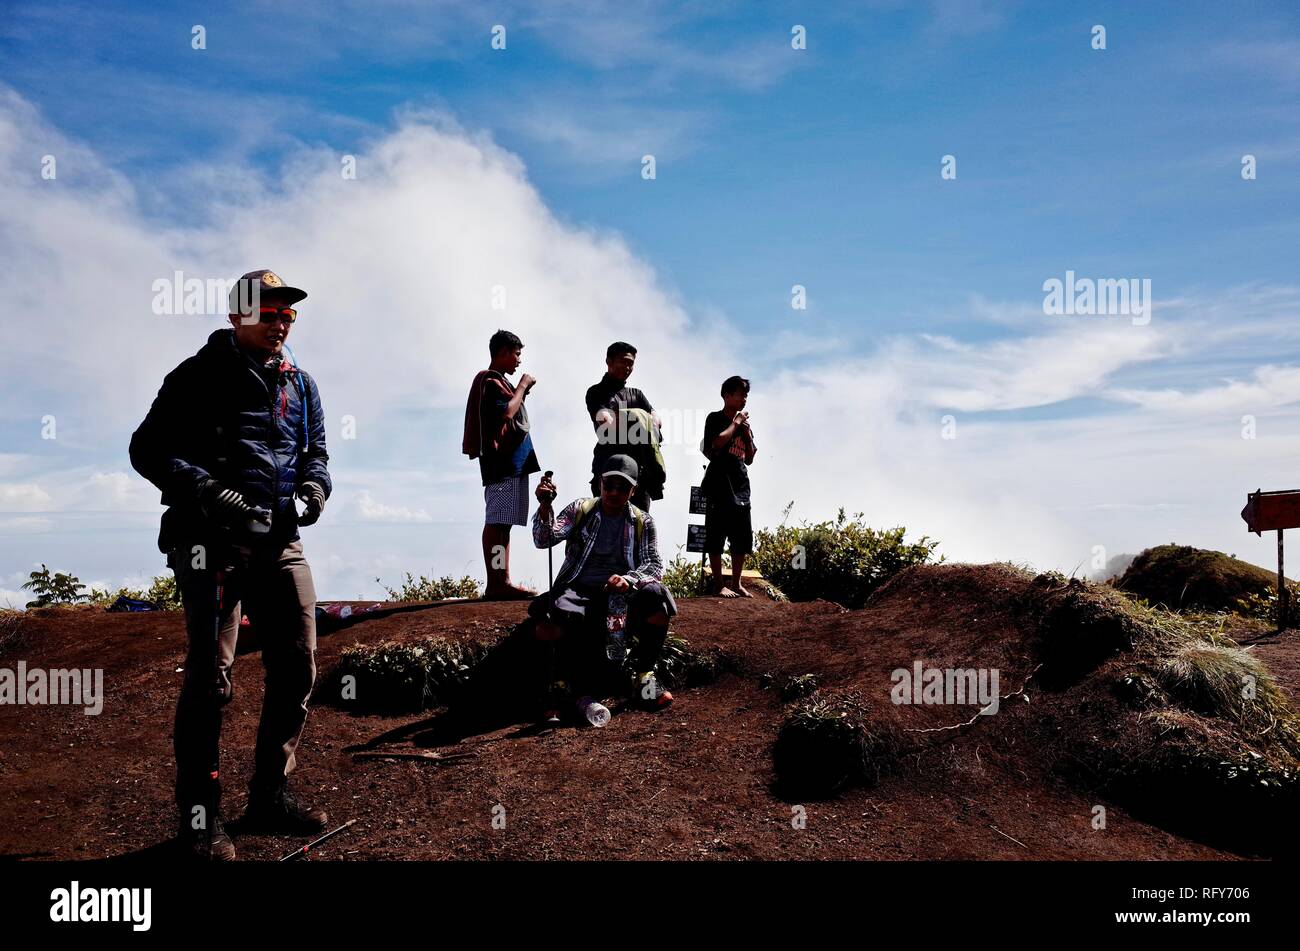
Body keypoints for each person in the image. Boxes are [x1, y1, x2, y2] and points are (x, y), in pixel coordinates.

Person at [129, 268, 331, 861]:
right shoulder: (195, 377)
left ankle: (269, 795)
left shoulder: (303, 384)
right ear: (236, 316)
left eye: (288, 313)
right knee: (211, 681)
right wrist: (207, 489)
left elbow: (316, 452)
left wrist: (315, 490)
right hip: (209, 544)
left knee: (297, 664)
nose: (281, 322)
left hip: (282, 542)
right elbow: (147, 449)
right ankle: (201, 820)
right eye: (268, 313)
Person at [530, 455, 676, 723]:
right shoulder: (580, 509)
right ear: (600, 484)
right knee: (551, 619)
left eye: (623, 487)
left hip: (622, 596)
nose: (614, 492)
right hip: (579, 591)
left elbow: (654, 565)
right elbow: (544, 538)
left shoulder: (643, 521)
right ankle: (559, 686)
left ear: (633, 491)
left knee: (658, 600)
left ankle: (643, 676)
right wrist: (543, 506)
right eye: (609, 485)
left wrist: (628, 580)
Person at [462, 329, 541, 600]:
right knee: (497, 522)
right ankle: (496, 583)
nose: (519, 360)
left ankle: (501, 580)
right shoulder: (491, 381)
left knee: (503, 523)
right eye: (517, 353)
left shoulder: (497, 382)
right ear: (504, 352)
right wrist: (522, 386)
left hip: (511, 463)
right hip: (502, 463)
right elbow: (507, 412)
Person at [584, 341, 665, 511]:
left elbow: (656, 420)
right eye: (623, 361)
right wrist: (637, 418)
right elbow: (606, 423)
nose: (628, 367)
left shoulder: (636, 394)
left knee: (638, 526)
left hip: (638, 476)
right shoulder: (596, 392)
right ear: (609, 361)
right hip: (607, 470)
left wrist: (639, 418)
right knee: (604, 524)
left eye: (631, 363)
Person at [701, 376, 757, 598]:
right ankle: (718, 584)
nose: (744, 399)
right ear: (726, 395)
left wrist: (747, 434)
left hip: (740, 486)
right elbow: (715, 443)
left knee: (741, 536)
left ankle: (736, 582)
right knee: (716, 535)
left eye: (746, 395)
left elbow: (750, 458)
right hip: (718, 484)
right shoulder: (715, 418)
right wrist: (735, 424)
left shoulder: (744, 426)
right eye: (740, 394)